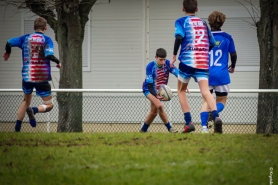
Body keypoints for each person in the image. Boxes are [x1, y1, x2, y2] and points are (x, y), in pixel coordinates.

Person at [170, 0, 223, 133]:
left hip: (187, 61)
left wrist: (174, 55)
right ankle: (216, 117)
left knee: (181, 90)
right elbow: (212, 43)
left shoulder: (181, 21)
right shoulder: (204, 23)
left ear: (183, 8)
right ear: (197, 9)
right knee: (205, 91)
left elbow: (178, 37)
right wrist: (203, 52)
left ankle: (189, 122)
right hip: (203, 62)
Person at [2, 17, 61, 132]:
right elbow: (49, 55)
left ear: (34, 28)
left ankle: (17, 129)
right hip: (41, 77)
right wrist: (58, 62)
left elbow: (9, 42)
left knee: (25, 101)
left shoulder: (25, 38)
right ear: (45, 28)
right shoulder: (47, 40)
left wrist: (8, 52)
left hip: (27, 77)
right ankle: (33, 110)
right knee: (49, 105)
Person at [200, 11, 237, 133]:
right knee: (221, 101)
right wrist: (233, 66)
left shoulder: (204, 37)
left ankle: (204, 129)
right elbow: (233, 54)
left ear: (209, 22)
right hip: (221, 74)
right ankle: (213, 113)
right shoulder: (227, 37)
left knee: (206, 100)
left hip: (206, 74)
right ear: (222, 22)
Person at [141, 48, 179, 133]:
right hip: (148, 89)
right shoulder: (150, 66)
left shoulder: (168, 64)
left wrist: (184, 84)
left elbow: (178, 73)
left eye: (164, 60)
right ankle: (170, 128)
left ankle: (143, 130)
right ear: (155, 57)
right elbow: (150, 86)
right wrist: (156, 95)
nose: (162, 62)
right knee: (160, 106)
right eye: (160, 60)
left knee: (154, 112)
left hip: (159, 90)